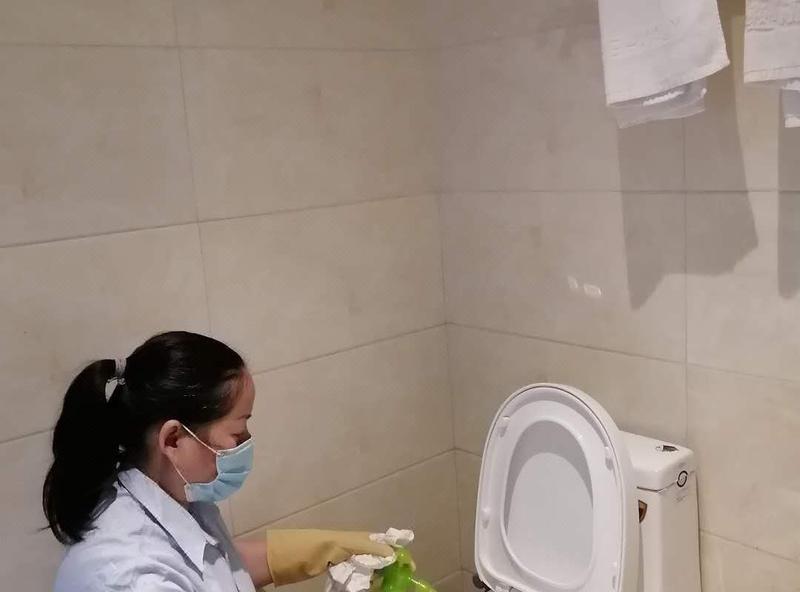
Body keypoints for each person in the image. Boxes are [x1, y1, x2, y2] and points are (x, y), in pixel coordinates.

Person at [43, 331, 393, 591]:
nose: (247, 443)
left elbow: (214, 570)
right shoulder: (131, 578)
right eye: (238, 433)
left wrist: (327, 549)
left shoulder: (171, 492)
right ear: (173, 439)